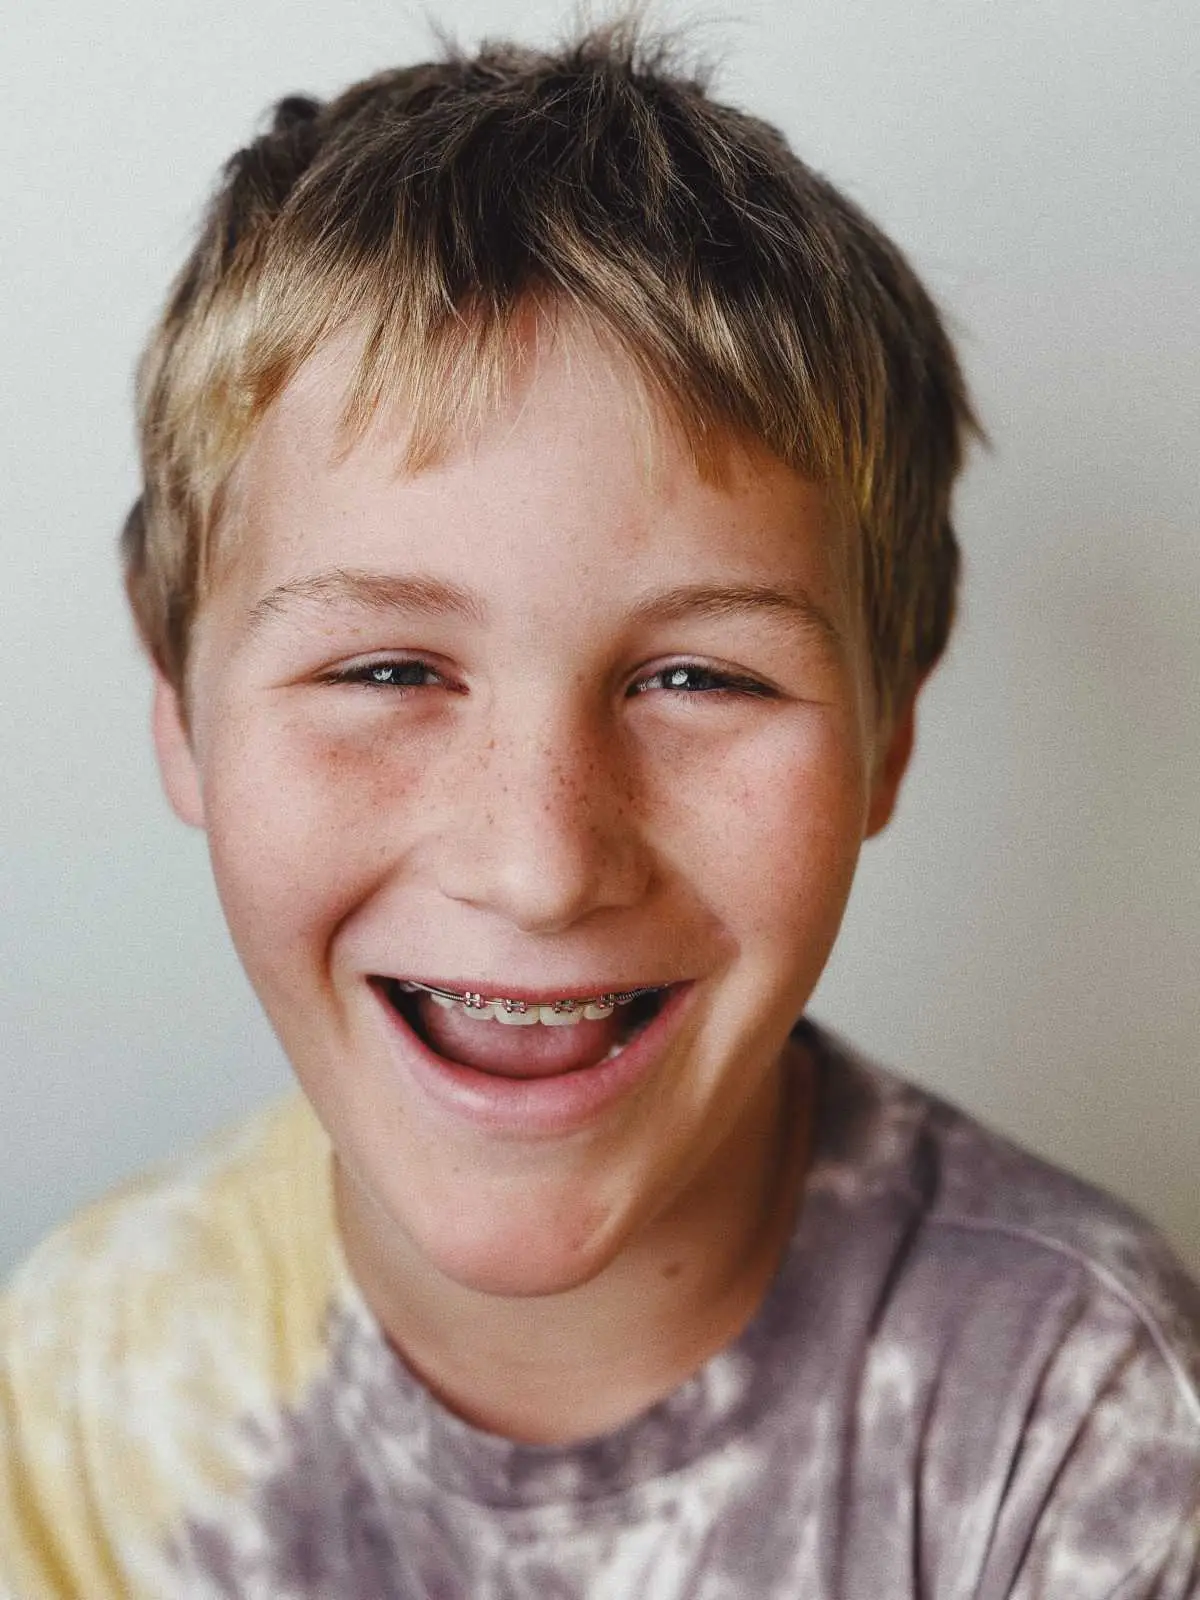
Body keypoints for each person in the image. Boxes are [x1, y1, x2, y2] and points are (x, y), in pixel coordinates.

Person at [2, 21, 1197, 1598]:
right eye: (387, 669)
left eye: (699, 678)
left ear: (892, 729)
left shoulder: (1084, 1428)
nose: (540, 864)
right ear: (179, 701)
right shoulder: (80, 1389)